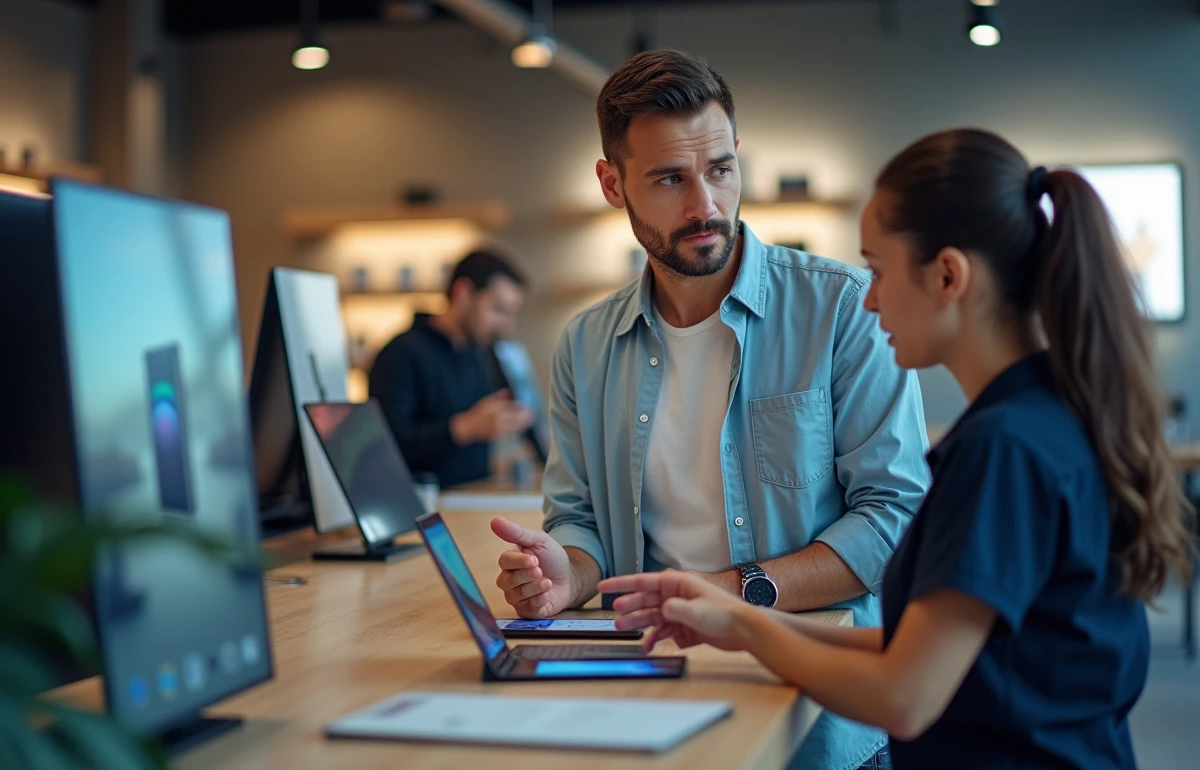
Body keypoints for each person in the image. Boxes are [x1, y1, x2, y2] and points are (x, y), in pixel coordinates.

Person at [597, 128, 1197, 770]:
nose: (871, 297)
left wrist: (744, 625)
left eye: (879, 271)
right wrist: (734, 616)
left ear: (947, 276)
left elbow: (904, 696)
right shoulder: (1041, 419)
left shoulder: (1002, 452)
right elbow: (914, 650)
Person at [490, 48, 931, 770]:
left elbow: (895, 519)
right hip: (647, 697)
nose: (705, 206)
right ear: (612, 183)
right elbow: (580, 522)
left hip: (816, 714)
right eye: (669, 179)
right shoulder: (586, 343)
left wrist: (732, 595)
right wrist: (564, 577)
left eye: (721, 170)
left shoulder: (842, 308)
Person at [369, 250, 534, 489]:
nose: (506, 325)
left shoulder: (482, 352)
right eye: (498, 309)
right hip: (425, 507)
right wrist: (464, 428)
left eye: (510, 313)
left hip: (476, 497)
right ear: (464, 294)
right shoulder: (402, 353)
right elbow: (385, 446)